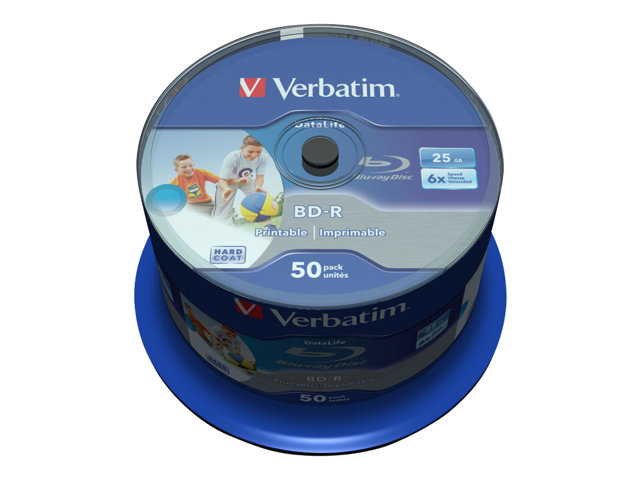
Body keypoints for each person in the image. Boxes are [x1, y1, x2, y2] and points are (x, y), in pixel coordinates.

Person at [213, 135, 270, 225]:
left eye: (258, 152)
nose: (254, 155)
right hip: (228, 183)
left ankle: (269, 226)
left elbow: (260, 176)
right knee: (223, 212)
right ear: (242, 149)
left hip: (246, 180)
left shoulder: (263, 158)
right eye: (250, 151)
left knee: (261, 200)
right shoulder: (232, 158)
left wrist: (258, 187)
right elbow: (222, 180)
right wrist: (226, 189)